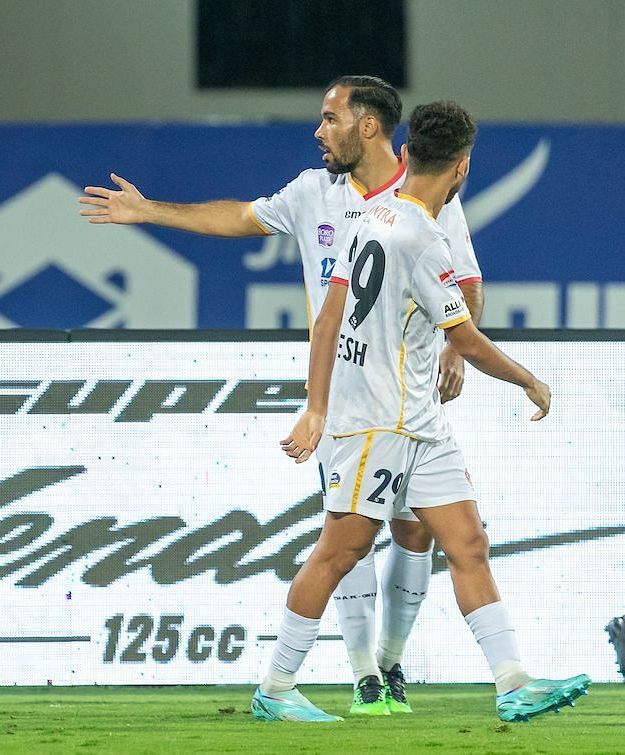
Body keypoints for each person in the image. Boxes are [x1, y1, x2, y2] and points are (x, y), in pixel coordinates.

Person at [80, 75, 483, 714]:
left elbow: (465, 278)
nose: (317, 130)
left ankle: (391, 662)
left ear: (369, 126)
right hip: (347, 395)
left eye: (330, 118)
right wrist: (152, 211)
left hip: (412, 396)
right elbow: (242, 216)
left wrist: (459, 348)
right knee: (349, 534)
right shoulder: (310, 193)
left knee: (414, 535)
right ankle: (364, 678)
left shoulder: (427, 193)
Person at [251, 100, 589, 723]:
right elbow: (465, 342)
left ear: (405, 155)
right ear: (461, 169)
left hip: (417, 417)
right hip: (377, 419)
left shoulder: (369, 214)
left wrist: (315, 405)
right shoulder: (425, 238)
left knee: (469, 542)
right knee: (339, 551)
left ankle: (511, 683)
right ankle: (274, 688)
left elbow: (327, 318)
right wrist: (528, 380)